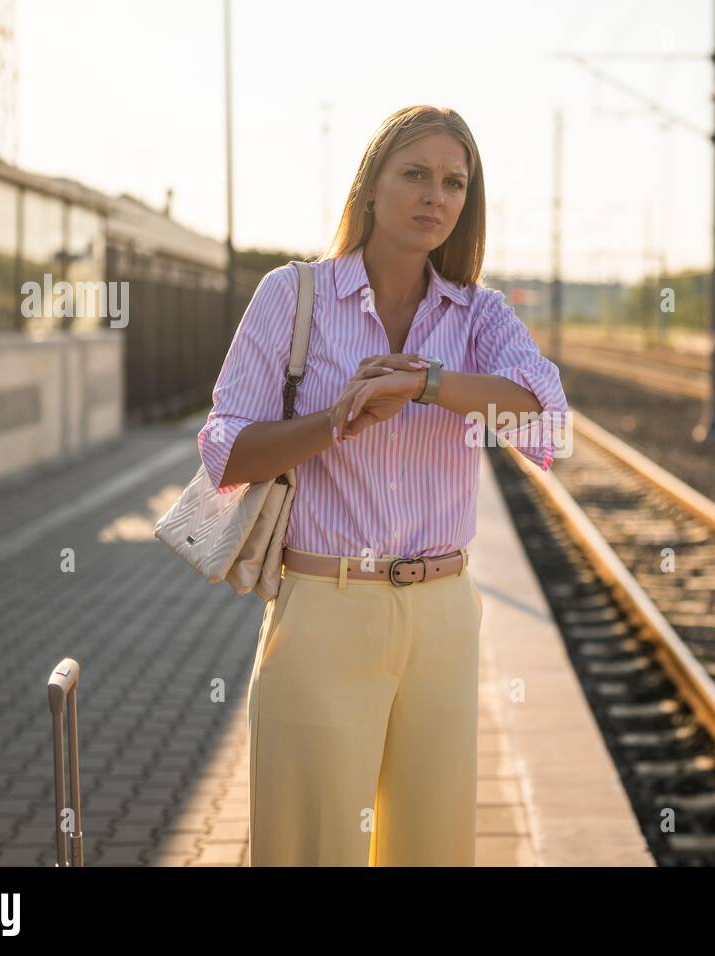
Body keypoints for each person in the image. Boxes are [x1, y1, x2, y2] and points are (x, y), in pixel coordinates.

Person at [196, 104, 568, 866]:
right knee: (313, 848)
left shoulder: (477, 315)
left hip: (443, 615)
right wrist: (337, 422)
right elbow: (226, 453)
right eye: (416, 175)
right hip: (325, 608)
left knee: (430, 852)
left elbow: (548, 424)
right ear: (371, 186)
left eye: (454, 182)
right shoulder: (292, 296)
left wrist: (428, 383)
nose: (436, 196)